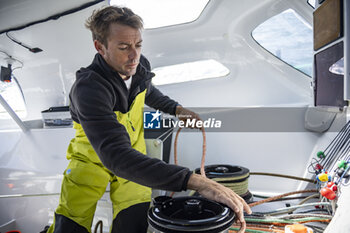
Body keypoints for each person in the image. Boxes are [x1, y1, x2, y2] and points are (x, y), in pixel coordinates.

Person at [47, 5, 251, 233]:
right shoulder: (89, 88)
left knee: (134, 219)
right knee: (71, 222)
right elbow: (116, 156)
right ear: (100, 47)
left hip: (133, 153)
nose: (134, 55)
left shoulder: (138, 66)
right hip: (93, 160)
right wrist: (196, 181)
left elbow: (148, 91)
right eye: (124, 47)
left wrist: (177, 109)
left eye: (138, 45)